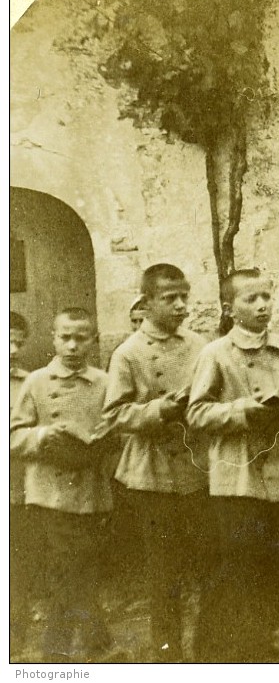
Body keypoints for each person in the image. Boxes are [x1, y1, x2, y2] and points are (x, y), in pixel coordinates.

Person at [187, 269, 279, 662]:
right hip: (241, 475)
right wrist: (244, 411)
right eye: (250, 299)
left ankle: (258, 639)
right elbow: (196, 413)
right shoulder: (216, 354)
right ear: (230, 309)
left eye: (266, 297)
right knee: (242, 563)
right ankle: (214, 648)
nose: (262, 306)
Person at [102, 264, 208, 662]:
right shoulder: (128, 353)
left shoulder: (199, 345)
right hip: (152, 475)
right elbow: (114, 417)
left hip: (198, 470)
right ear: (146, 304)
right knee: (164, 574)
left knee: (206, 565)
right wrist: (160, 410)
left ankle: (208, 650)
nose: (181, 306)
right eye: (170, 299)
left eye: (185, 297)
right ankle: (167, 656)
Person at [10, 308, 119, 662]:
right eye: (65, 337)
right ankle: (57, 650)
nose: (72, 345)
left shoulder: (105, 382)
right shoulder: (37, 382)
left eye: (81, 338)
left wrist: (104, 439)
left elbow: (118, 430)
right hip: (50, 493)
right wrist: (44, 435)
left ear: (93, 340)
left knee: (85, 566)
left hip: (91, 488)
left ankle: (93, 642)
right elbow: (13, 437)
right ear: (54, 339)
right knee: (67, 568)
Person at [10, 311, 33, 656]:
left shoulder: (28, 382)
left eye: (18, 342)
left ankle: (16, 630)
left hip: (17, 483)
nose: (12, 350)